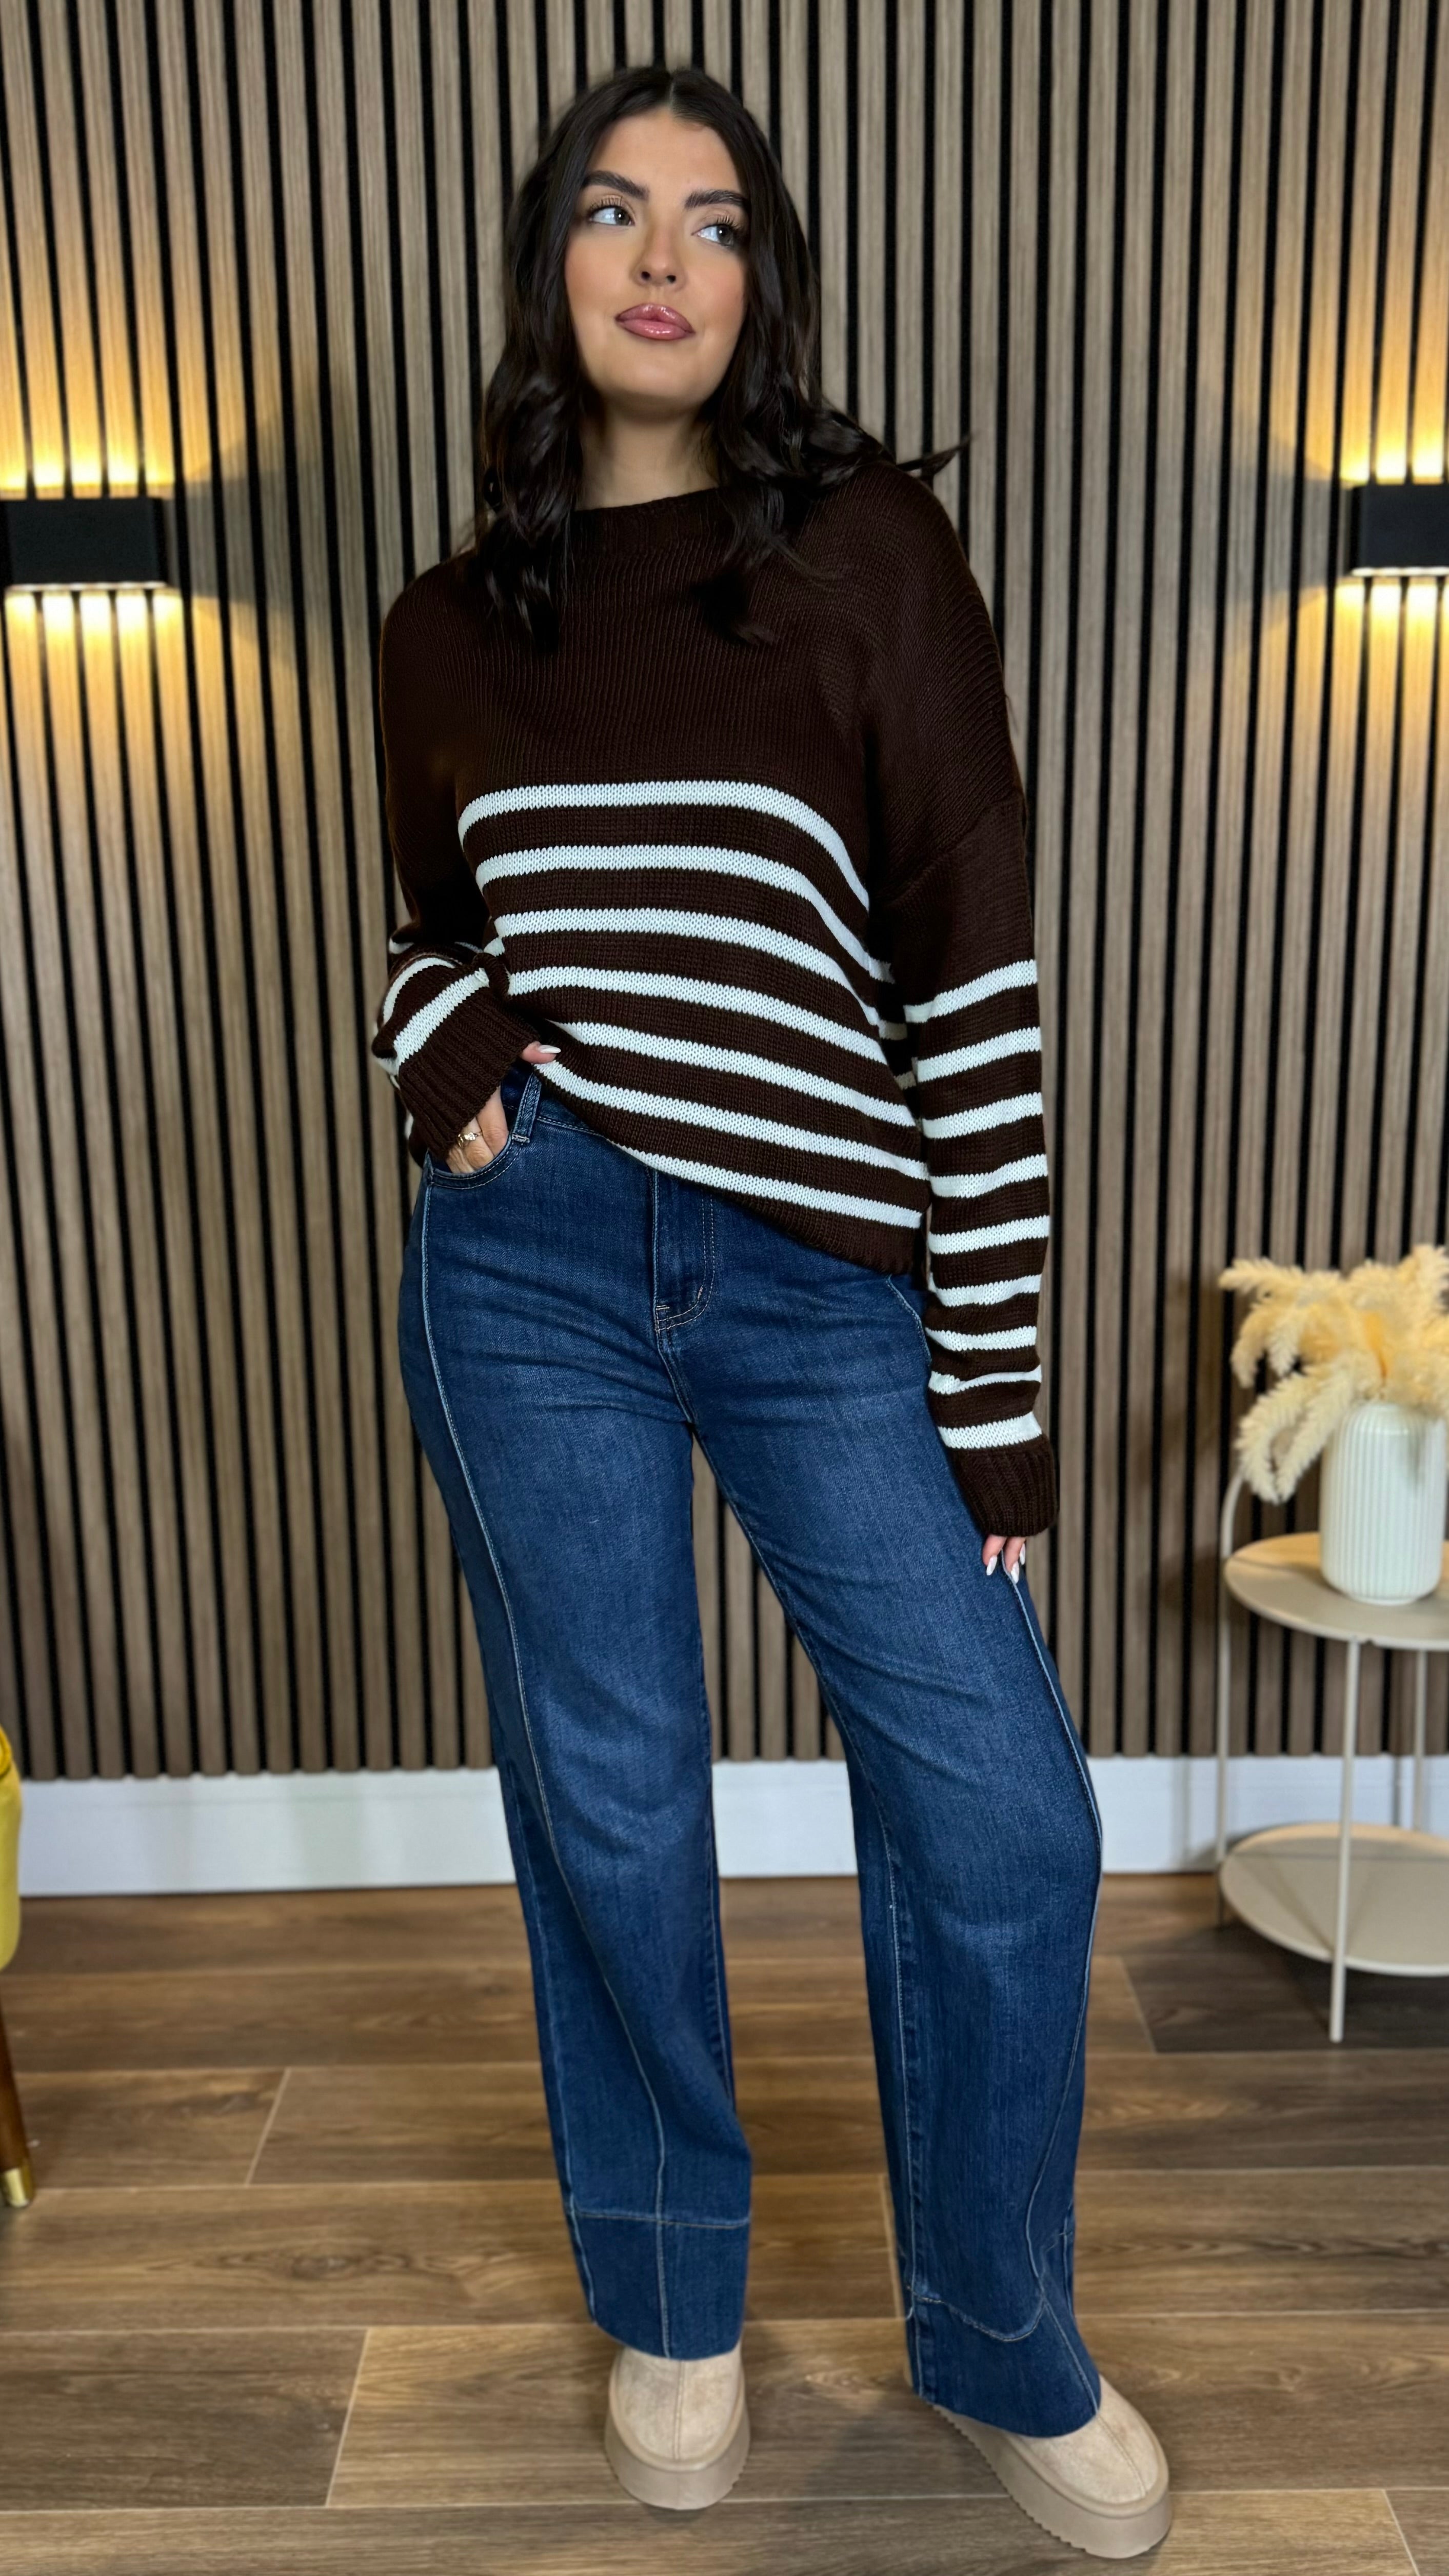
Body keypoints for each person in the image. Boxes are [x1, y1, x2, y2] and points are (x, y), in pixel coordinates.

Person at [372, 61, 1171, 2562]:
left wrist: (993, 1405)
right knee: (609, 1789)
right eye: (612, 213)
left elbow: (972, 990)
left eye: (710, 223)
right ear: (549, 266)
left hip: (826, 1279)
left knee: (1006, 1812)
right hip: (532, 1269)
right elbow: (437, 937)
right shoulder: (440, 627)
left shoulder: (864, 558)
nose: (659, 258)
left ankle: (997, 2330)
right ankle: (673, 2292)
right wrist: (435, 1041)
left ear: (758, 281)